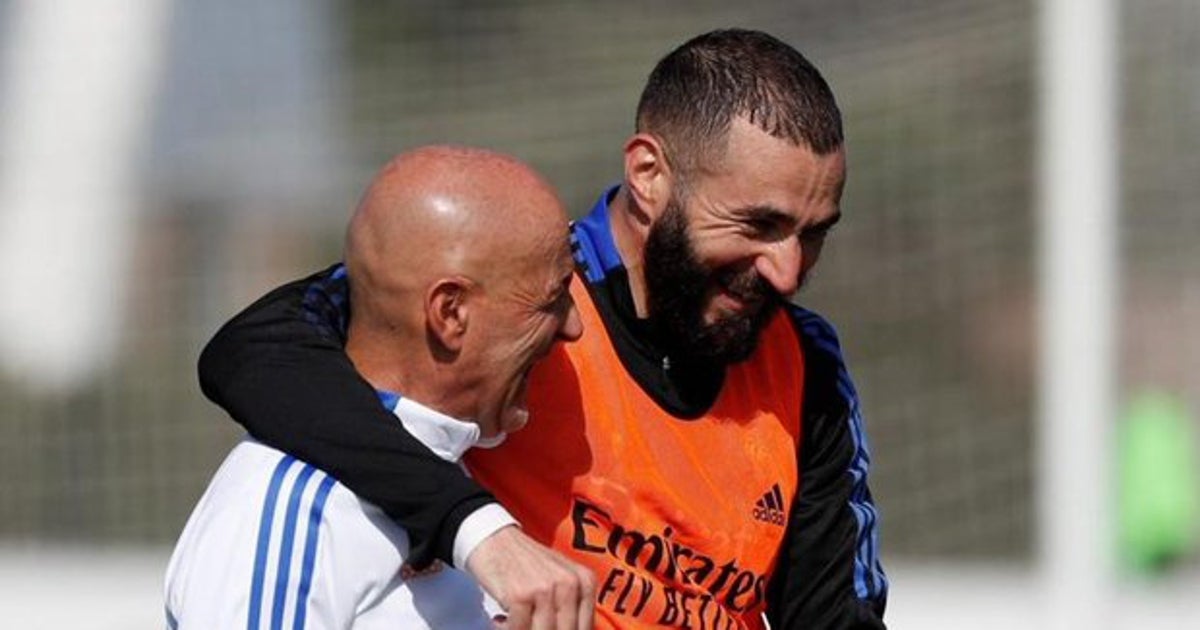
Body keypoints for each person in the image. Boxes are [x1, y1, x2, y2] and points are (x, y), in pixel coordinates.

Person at [199, 29, 888, 629]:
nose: (789, 271)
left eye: (813, 234)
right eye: (758, 225)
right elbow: (254, 351)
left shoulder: (805, 365)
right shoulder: (515, 295)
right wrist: (479, 531)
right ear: (649, 174)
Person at [165, 146, 595, 629]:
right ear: (450, 313)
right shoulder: (297, 508)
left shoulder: (465, 461)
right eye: (553, 298)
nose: (572, 326)